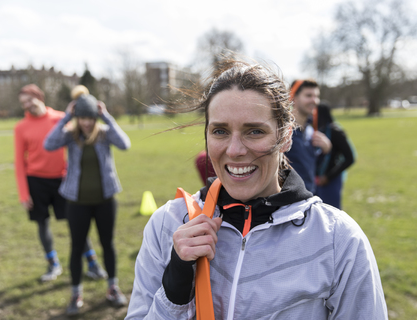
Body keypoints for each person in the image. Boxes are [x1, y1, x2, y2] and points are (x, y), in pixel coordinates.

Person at [125, 60, 387, 319]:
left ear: (285, 137)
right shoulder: (167, 224)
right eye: (220, 131)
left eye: (254, 132)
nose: (235, 150)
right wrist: (175, 290)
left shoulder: (337, 239)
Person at [44, 93, 131, 315]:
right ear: (76, 117)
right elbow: (48, 144)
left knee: (107, 244)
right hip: (77, 203)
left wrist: (108, 118)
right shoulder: (70, 135)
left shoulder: (104, 134)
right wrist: (65, 118)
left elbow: (125, 144)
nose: (87, 122)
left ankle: (112, 288)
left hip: (105, 201)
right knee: (76, 247)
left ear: (96, 116)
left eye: (91, 117)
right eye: (82, 117)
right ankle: (76, 294)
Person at [14, 84, 107, 282]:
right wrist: (24, 194)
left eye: (29, 99)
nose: (27, 105)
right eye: (23, 102)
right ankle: (53, 264)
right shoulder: (20, 127)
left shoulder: (61, 118)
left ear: (40, 97)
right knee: (42, 224)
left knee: (75, 223)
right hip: (35, 182)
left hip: (63, 180)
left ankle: (92, 263)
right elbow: (19, 162)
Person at [285, 79, 332, 193]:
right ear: (294, 97)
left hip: (309, 197)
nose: (314, 100)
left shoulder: (311, 131)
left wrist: (326, 150)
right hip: (288, 203)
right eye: (308, 95)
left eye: (316, 96)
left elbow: (310, 166)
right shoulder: (283, 131)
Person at [314, 104, 355, 209]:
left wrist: (328, 177)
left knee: (331, 213)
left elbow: (350, 158)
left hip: (331, 181)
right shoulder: (314, 131)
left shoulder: (335, 132)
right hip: (315, 181)